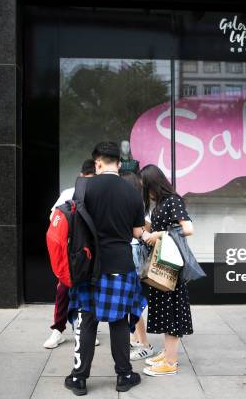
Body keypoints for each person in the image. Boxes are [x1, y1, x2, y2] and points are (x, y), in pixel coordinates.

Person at [65, 142, 146, 395]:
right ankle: (124, 375)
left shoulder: (84, 188)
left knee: (86, 320)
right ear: (119, 164)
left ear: (97, 162)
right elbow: (136, 232)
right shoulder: (132, 192)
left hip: (87, 266)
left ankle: (79, 379)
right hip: (119, 264)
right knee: (119, 320)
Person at [140, 164, 194, 377]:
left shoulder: (173, 200)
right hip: (161, 266)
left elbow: (188, 229)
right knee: (165, 311)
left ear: (154, 184)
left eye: (146, 187)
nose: (146, 192)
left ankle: (170, 363)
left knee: (171, 312)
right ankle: (168, 353)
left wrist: (159, 234)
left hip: (169, 268)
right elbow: (158, 229)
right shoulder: (161, 204)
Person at [43, 159, 99, 349]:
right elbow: (54, 217)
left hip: (89, 251)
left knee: (87, 291)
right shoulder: (69, 192)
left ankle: (82, 329)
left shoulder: (99, 195)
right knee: (63, 289)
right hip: (69, 251)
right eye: (88, 179)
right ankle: (58, 330)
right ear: (82, 176)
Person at [120, 171, 155, 361]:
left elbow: (140, 230)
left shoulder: (134, 204)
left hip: (132, 256)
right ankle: (136, 338)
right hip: (132, 255)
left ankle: (145, 345)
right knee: (131, 302)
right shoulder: (136, 203)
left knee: (133, 302)